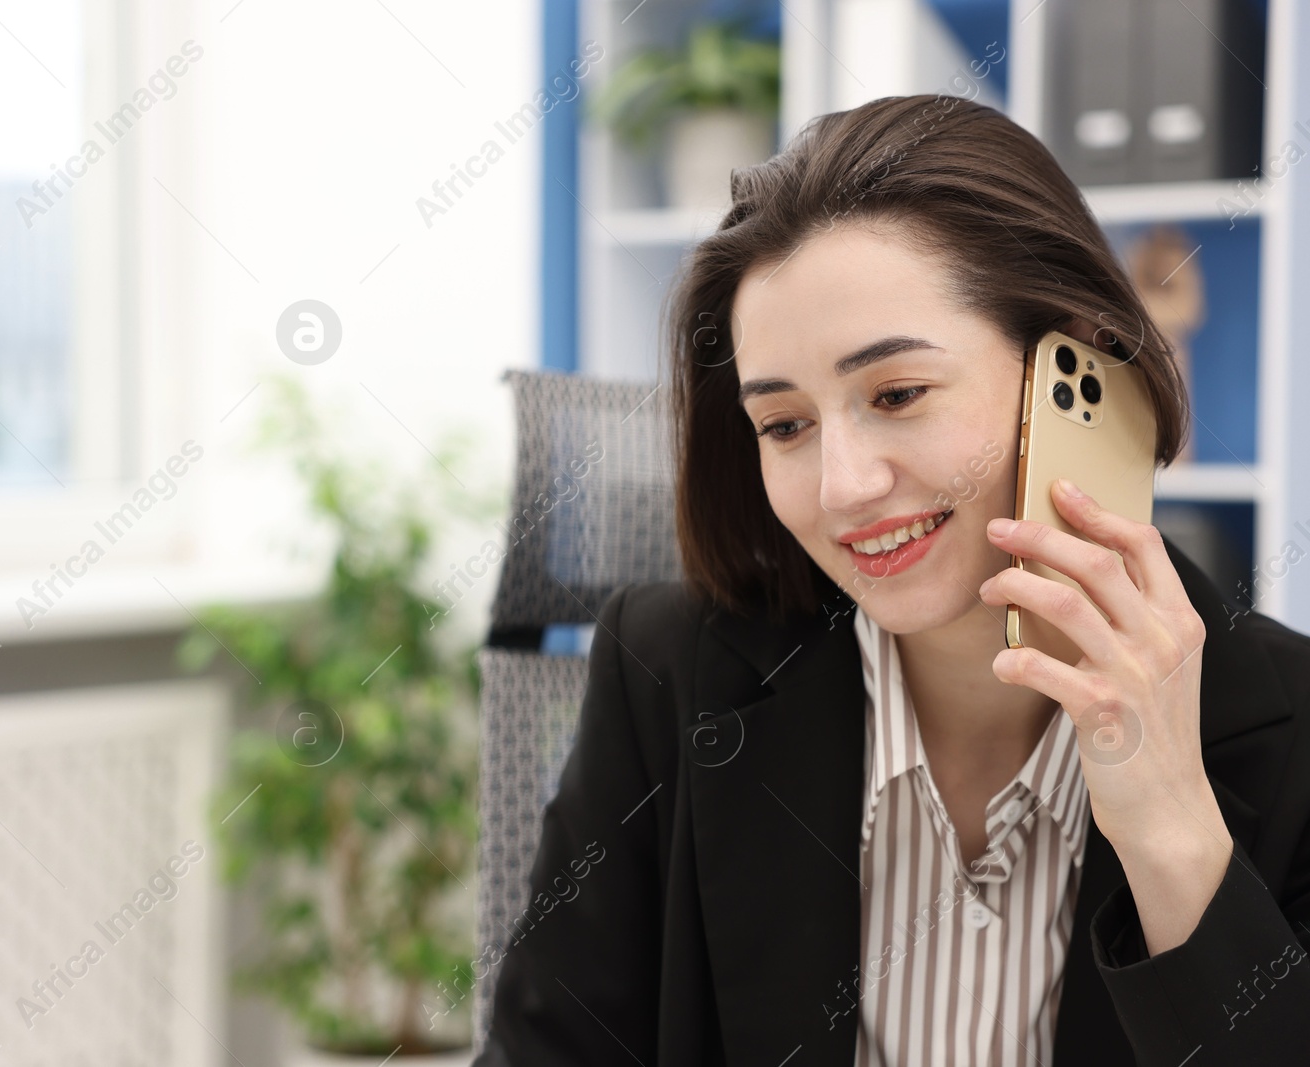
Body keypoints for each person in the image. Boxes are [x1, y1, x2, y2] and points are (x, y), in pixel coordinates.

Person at [473, 94, 1310, 1066]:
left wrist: (1171, 832)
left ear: (1077, 366)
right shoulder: (665, 673)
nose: (843, 488)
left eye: (898, 394)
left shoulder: (1287, 726)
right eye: (784, 424)